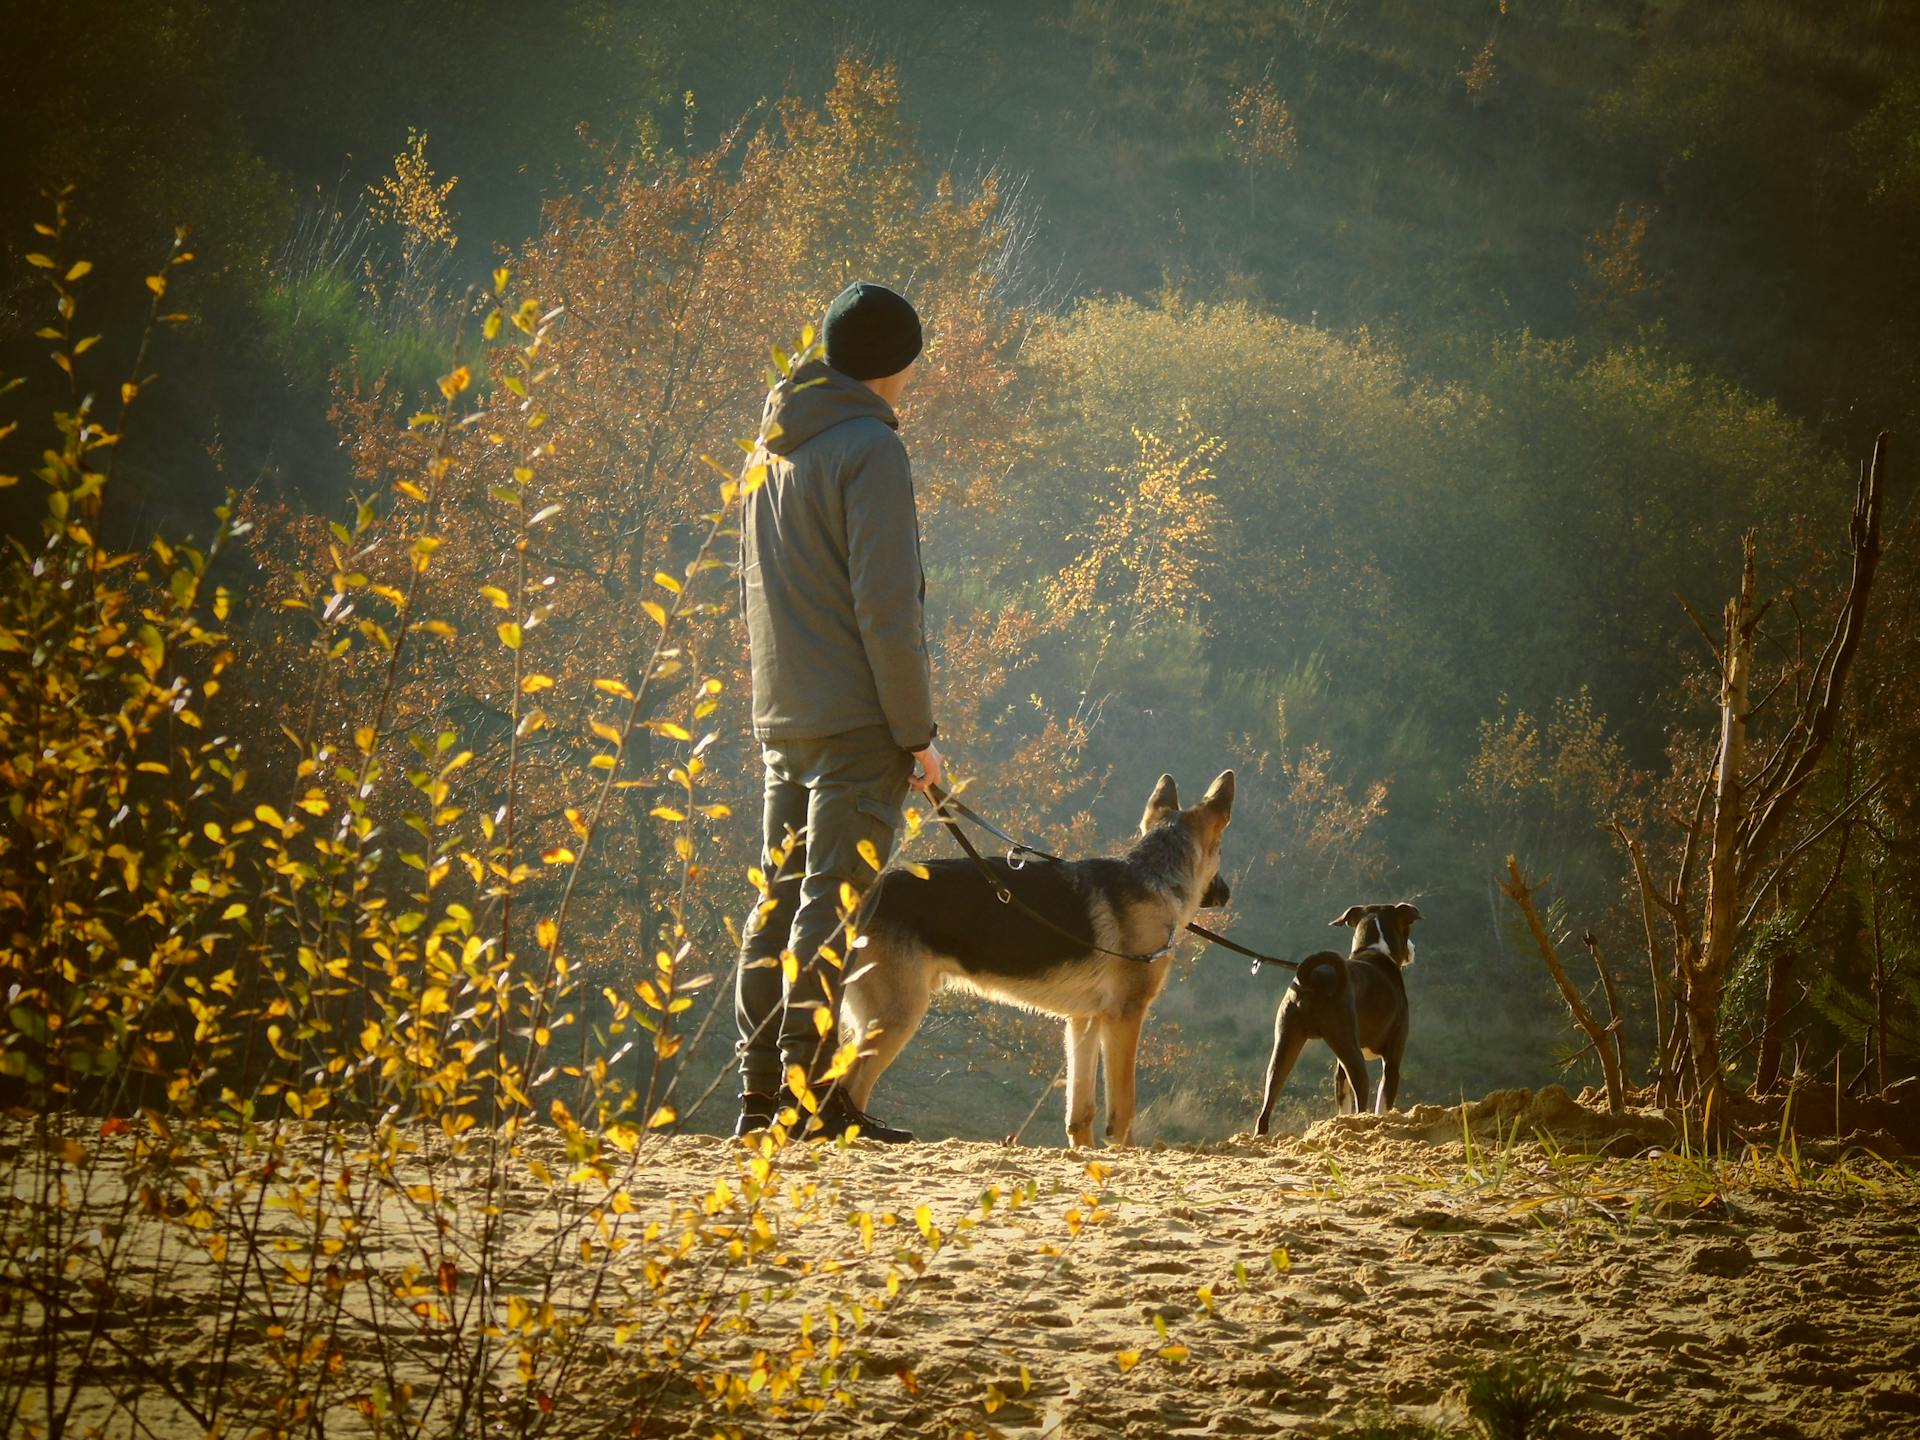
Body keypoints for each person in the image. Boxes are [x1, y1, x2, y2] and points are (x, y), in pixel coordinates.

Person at [732, 281, 944, 1143]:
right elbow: (887, 613)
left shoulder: (775, 447)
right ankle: (804, 1100)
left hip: (785, 712)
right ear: (898, 365)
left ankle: (759, 1097)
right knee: (828, 905)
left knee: (778, 902)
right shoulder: (870, 450)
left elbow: (763, 589)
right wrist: (918, 735)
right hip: (858, 722)